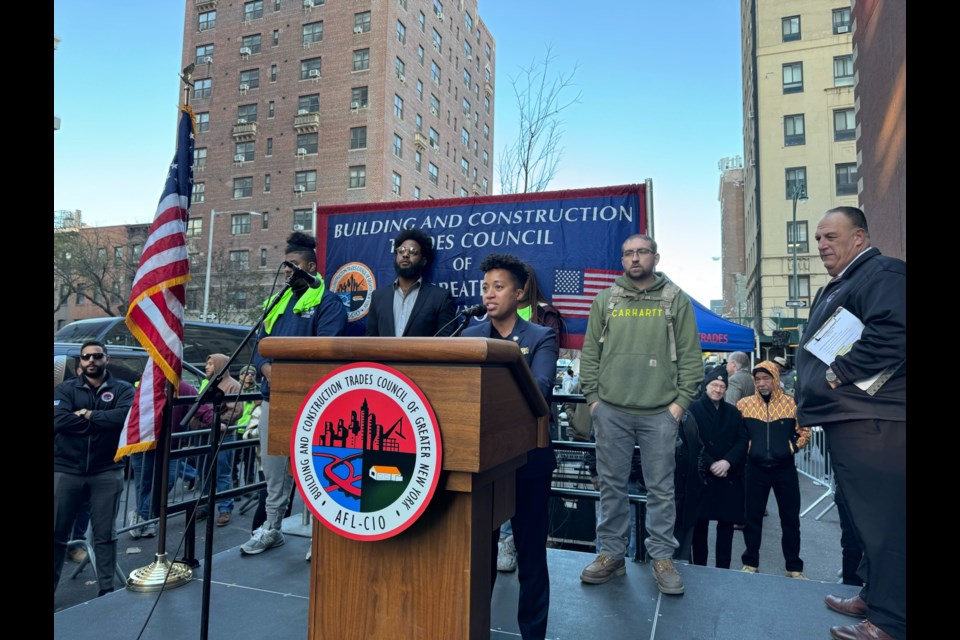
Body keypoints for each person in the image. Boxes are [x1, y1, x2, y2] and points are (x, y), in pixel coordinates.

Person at [795, 207, 905, 640]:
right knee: (862, 522)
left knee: (884, 524)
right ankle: (873, 597)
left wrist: (838, 373)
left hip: (874, 422)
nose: (821, 244)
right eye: (818, 238)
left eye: (830, 236)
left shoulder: (882, 272)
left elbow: (894, 332)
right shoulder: (851, 280)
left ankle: (891, 621)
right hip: (852, 421)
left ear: (859, 237)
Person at [578, 234, 702, 595]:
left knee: (662, 490)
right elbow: (589, 356)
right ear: (622, 260)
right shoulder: (607, 299)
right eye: (629, 253)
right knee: (611, 487)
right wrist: (594, 401)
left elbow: (692, 359)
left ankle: (662, 558)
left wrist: (677, 407)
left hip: (659, 413)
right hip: (611, 411)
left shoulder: (674, 299)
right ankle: (612, 556)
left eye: (641, 252)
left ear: (655, 257)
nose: (635, 258)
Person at [461, 253, 558, 640]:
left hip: (528, 461)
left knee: (531, 554)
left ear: (519, 293)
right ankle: (470, 627)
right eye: (485, 287)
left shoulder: (540, 337)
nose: (489, 294)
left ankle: (532, 633)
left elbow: (541, 389)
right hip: (480, 462)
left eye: (498, 287)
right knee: (478, 553)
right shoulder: (468, 336)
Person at [242, 232, 347, 556]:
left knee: (318, 469)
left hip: (312, 404)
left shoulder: (327, 302)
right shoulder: (278, 301)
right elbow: (260, 346)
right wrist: (265, 369)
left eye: (295, 265)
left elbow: (326, 351)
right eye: (285, 266)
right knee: (273, 469)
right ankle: (272, 526)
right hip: (274, 398)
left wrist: (283, 372)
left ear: (311, 267)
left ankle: (322, 536)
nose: (288, 271)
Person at [54, 341, 135, 596]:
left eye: (97, 356)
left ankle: (106, 590)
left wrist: (87, 414)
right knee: (56, 535)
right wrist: (101, 421)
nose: (91, 360)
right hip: (66, 469)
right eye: (86, 357)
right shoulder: (65, 389)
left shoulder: (123, 389)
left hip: (107, 470)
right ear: (80, 362)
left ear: (106, 359)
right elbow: (58, 420)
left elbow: (125, 417)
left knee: (105, 535)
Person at [737, 361, 810, 578]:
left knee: (790, 519)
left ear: (775, 379)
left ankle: (794, 567)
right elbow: (739, 435)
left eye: (766, 378)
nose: (761, 383)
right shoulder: (744, 405)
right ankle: (750, 563)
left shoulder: (791, 404)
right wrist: (750, 448)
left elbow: (805, 433)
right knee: (752, 518)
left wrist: (789, 448)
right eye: (757, 379)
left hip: (784, 469)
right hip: (755, 468)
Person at [129, 379, 211, 539]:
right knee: (144, 484)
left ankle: (142, 516)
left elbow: (201, 407)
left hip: (170, 447)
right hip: (143, 445)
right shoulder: (143, 385)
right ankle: (147, 520)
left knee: (169, 480)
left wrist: (216, 422)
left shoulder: (184, 388)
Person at [687, 366, 748, 569]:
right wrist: (711, 462)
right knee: (700, 526)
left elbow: (742, 440)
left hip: (727, 475)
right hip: (703, 474)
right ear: (706, 386)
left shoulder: (733, 412)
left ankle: (724, 569)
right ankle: (700, 567)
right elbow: (692, 441)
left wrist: (727, 461)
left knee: (726, 526)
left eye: (722, 386)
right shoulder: (692, 409)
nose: (718, 389)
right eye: (714, 384)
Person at [365, 227, 457, 337]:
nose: (405, 255)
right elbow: (371, 340)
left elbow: (446, 343)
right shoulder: (378, 297)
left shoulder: (440, 298)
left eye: (412, 252)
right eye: (401, 251)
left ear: (423, 261)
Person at [197, 353, 244, 527]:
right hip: (205, 434)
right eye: (206, 363)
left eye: (210, 363)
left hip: (224, 435)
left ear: (219, 365)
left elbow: (236, 410)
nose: (206, 367)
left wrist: (219, 421)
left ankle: (225, 508)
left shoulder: (233, 385)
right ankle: (204, 505)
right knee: (204, 472)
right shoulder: (209, 384)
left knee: (222, 473)